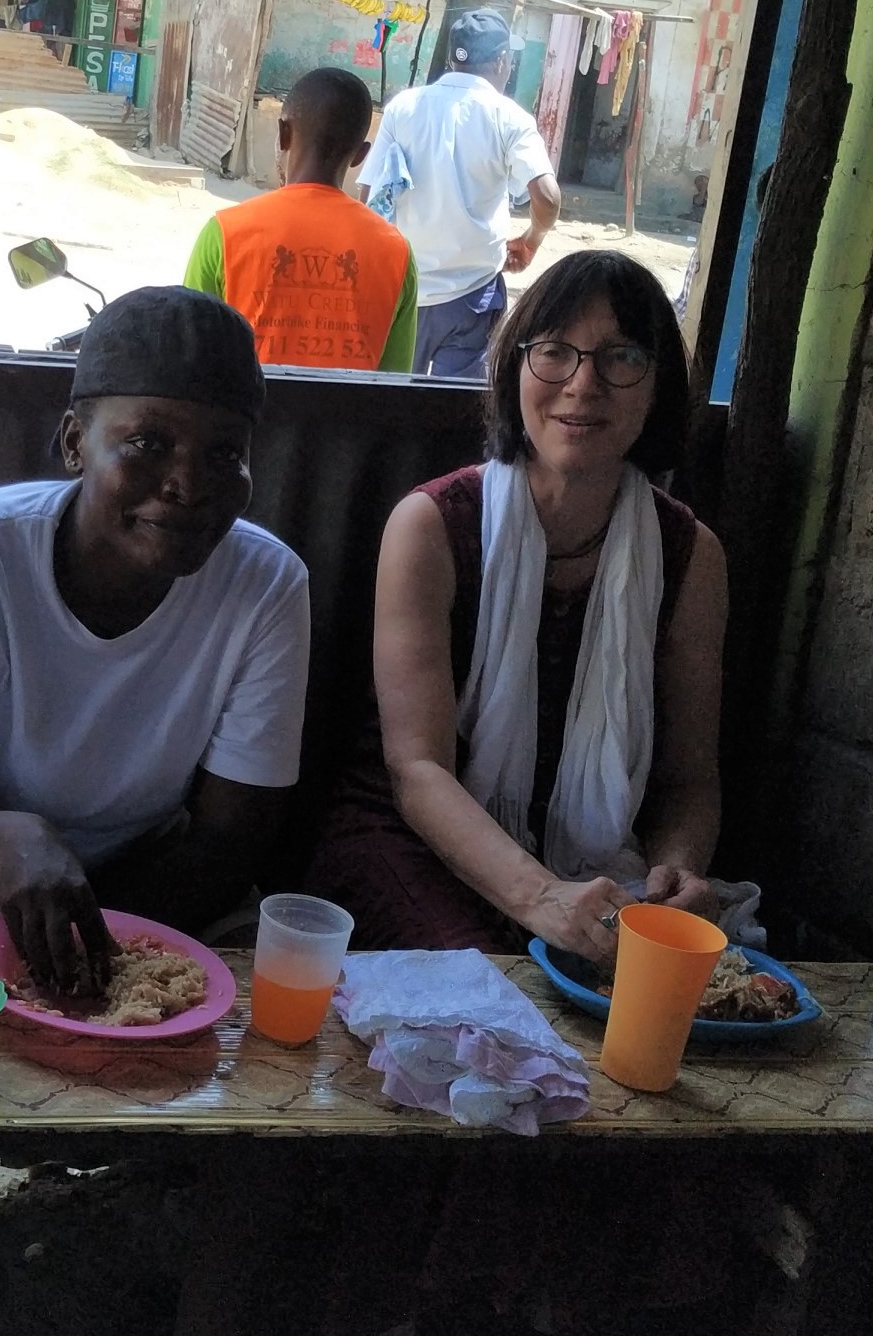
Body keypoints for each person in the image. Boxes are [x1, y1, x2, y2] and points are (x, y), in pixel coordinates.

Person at [0, 284, 311, 969]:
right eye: (147, 444)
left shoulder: (268, 586)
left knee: (252, 1007)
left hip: (153, 878)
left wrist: (85, 944)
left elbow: (225, 844)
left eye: (224, 455)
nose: (188, 484)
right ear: (76, 443)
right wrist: (5, 840)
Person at [307, 250, 737, 963]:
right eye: (555, 352)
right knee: (499, 1000)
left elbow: (689, 779)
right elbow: (418, 770)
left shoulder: (691, 557)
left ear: (659, 387)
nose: (583, 383)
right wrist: (542, 899)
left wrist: (679, 871)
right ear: (515, 370)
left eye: (622, 357)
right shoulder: (433, 526)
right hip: (406, 845)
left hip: (594, 867)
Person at [356, 10, 562, 380]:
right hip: (473, 297)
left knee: (392, 399)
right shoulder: (509, 117)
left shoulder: (403, 107)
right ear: (502, 62)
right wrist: (532, 239)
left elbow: (369, 196)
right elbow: (547, 197)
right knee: (458, 411)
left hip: (405, 291)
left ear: (452, 58)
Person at [184, 67, 417, 372]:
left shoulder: (225, 233)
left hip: (246, 420)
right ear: (361, 155)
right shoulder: (396, 252)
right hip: (350, 421)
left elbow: (189, 361)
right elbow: (394, 384)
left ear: (283, 134)